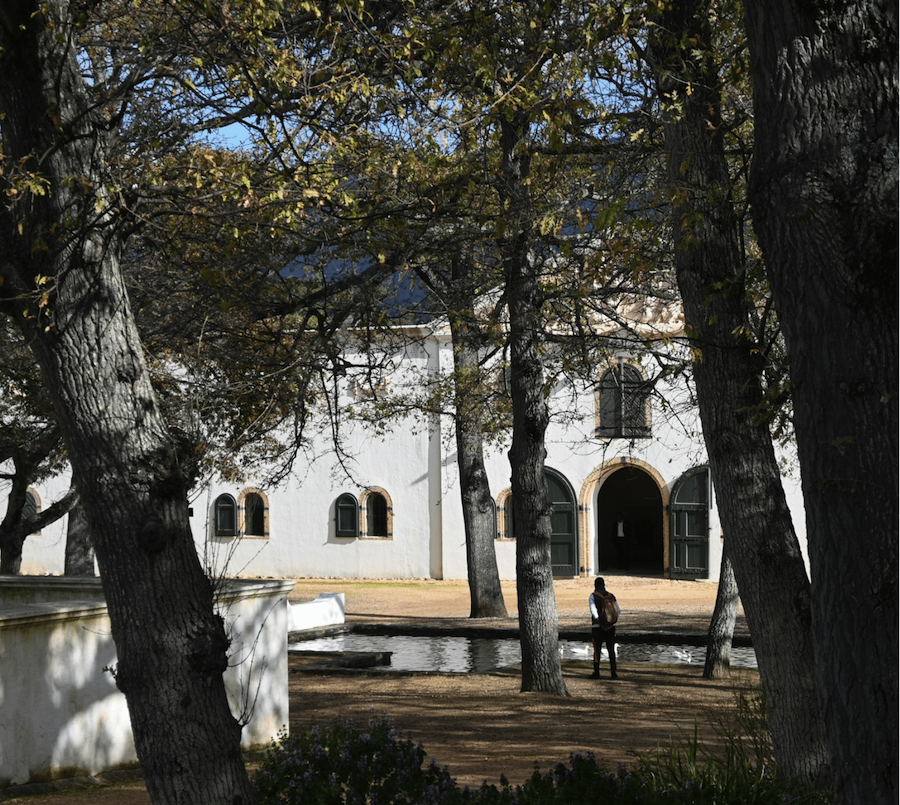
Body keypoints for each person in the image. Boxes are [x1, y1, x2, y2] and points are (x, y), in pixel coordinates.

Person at [589, 577, 620, 679]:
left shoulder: (593, 596)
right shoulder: (611, 596)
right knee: (611, 649)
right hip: (610, 627)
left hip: (597, 627)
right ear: (604, 584)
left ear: (595, 585)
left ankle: (597, 673)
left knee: (597, 650)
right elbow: (618, 610)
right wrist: (609, 621)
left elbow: (593, 610)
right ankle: (613, 673)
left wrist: (599, 621)